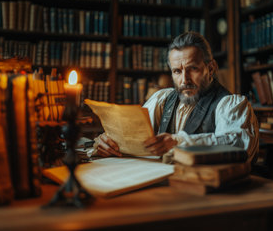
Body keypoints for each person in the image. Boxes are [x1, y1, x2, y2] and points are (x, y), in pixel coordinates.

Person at [93, 31, 259, 164]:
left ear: (211, 68)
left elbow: (237, 145)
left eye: (192, 69)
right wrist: (108, 143)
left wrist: (177, 142)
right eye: (177, 71)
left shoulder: (231, 105)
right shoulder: (162, 99)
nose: (184, 80)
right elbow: (131, 137)